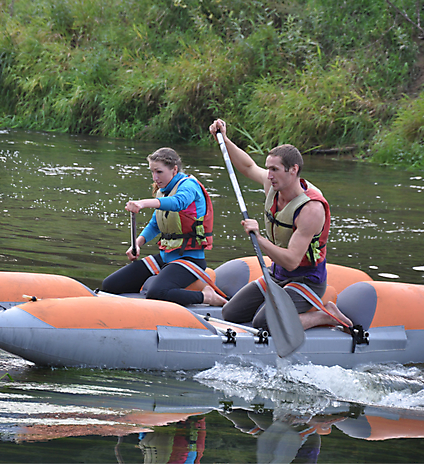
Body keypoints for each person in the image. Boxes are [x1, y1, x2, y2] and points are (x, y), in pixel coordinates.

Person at [208, 119, 352, 330]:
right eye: (268, 169)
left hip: (306, 281)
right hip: (277, 275)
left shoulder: (311, 209)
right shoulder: (272, 185)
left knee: (264, 322)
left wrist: (258, 239)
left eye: (275, 169)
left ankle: (325, 315)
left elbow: (293, 261)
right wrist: (224, 139)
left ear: (293, 170)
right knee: (230, 312)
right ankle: (283, 307)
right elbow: (248, 167)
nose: (269, 175)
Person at [101, 147, 227, 307]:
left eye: (159, 172)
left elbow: (178, 203)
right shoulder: (163, 191)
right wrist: (137, 244)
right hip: (165, 257)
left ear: (174, 169)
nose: (155, 177)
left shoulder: (189, 186)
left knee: (157, 293)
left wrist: (143, 203)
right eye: (152, 172)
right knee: (110, 285)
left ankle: (206, 297)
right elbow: (155, 224)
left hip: (190, 259)